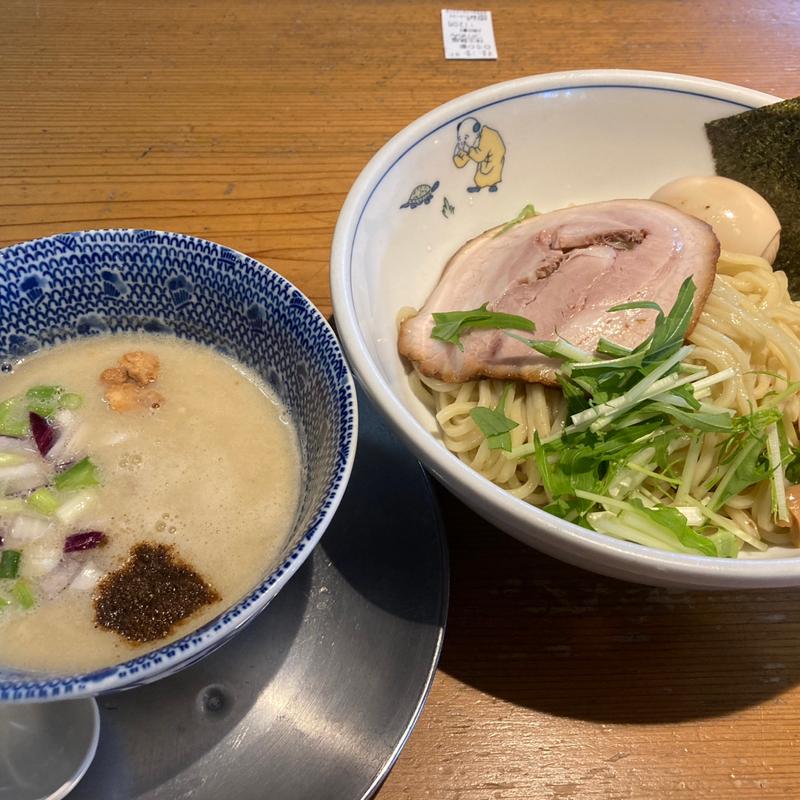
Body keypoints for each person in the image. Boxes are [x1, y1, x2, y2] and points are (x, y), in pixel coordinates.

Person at [452, 117, 506, 193]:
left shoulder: (488, 136)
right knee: (480, 174)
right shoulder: (476, 138)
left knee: (493, 171)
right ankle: (479, 187)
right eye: (460, 138)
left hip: (495, 158)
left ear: (476, 129)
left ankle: (493, 185)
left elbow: (479, 156)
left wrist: (468, 150)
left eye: (466, 138)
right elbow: (470, 154)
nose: (464, 141)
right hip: (484, 159)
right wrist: (457, 157)